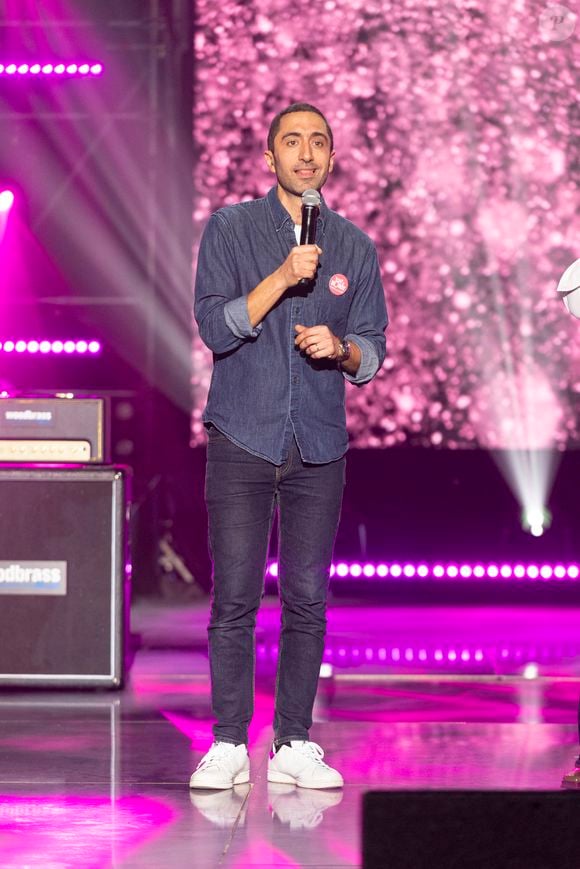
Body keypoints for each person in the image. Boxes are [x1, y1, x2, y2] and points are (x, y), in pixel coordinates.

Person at [190, 102, 388, 791]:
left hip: (318, 444)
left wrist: (343, 348)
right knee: (236, 597)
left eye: (319, 143)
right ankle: (226, 742)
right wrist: (282, 276)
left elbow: (374, 349)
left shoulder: (355, 247)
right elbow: (216, 326)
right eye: (292, 142)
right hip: (242, 433)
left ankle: (294, 741)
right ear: (269, 158)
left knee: (307, 597)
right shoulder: (231, 229)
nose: (306, 154)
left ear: (331, 159)